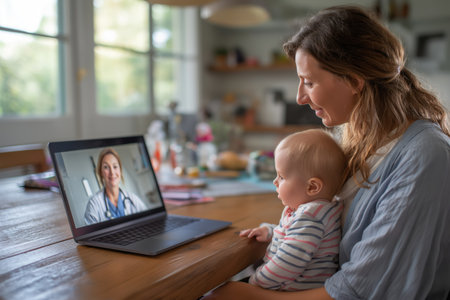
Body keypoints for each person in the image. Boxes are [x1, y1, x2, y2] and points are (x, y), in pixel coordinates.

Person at [204, 5, 450, 300]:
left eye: (309, 82)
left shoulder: (424, 155)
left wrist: (252, 295)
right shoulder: (361, 138)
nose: (299, 97)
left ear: (354, 81)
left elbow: (364, 289)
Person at [239, 129, 346, 291]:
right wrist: (270, 231)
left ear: (312, 187)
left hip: (291, 290)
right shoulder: (318, 212)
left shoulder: (310, 218)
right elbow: (293, 237)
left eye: (281, 177)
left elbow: (287, 264)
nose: (275, 182)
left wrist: (255, 280)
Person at [84, 148, 147, 225]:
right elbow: (91, 236)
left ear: (120, 170)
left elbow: (149, 222)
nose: (112, 172)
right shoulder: (93, 205)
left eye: (115, 166)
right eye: (106, 167)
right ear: (101, 172)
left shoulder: (133, 199)